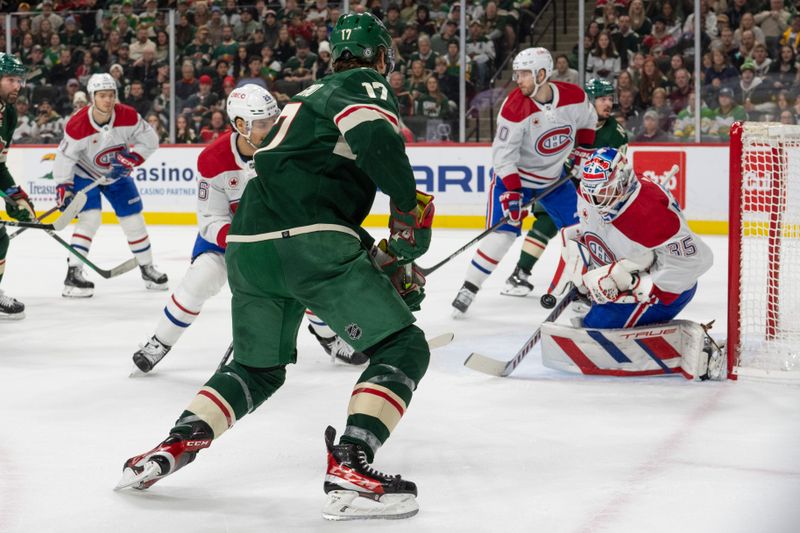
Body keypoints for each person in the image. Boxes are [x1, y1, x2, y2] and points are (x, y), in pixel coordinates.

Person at [116, 12, 434, 521]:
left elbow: (310, 195)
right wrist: (406, 211)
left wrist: (383, 260)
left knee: (255, 368)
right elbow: (376, 139)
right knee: (403, 345)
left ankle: (170, 447)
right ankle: (351, 465)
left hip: (249, 245)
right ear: (379, 55)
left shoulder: (307, 99)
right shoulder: (362, 82)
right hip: (310, 242)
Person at [132, 84, 367, 374]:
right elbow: (210, 220)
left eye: (274, 122)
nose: (271, 129)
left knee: (306, 278)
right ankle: (160, 341)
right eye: (263, 124)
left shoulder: (287, 149)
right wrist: (241, 244)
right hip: (229, 240)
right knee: (200, 278)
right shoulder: (214, 159)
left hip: (278, 237)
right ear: (240, 125)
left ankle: (329, 336)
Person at [541, 147, 716, 378]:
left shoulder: (649, 212)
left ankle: (687, 346)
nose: (595, 201)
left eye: (602, 193)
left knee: (597, 333)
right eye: (591, 193)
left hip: (665, 289)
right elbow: (594, 230)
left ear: (623, 181)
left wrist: (637, 286)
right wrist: (581, 257)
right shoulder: (590, 193)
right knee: (590, 324)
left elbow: (697, 261)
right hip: (624, 269)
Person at [451, 47, 597, 316]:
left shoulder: (574, 97)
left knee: (582, 231)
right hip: (514, 177)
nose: (518, 79)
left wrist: (583, 151)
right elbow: (503, 156)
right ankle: (469, 287)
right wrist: (514, 193)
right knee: (503, 235)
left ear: (542, 74)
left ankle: (580, 287)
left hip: (554, 179)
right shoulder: (515, 107)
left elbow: (589, 120)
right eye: (517, 73)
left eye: (524, 74)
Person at [503, 78, 627, 297]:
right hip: (561, 185)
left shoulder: (616, 133)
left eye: (610, 99)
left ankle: (586, 278)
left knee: (589, 234)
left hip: (594, 195)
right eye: (602, 99)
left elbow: (617, 167)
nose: (608, 103)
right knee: (545, 223)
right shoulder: (567, 119)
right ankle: (520, 273)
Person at [53, 73, 167, 298]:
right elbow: (64, 157)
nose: (107, 100)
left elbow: (151, 141)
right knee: (91, 218)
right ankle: (74, 273)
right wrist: (63, 186)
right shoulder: (77, 124)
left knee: (133, 219)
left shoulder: (128, 115)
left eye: (111, 95)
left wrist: (132, 159)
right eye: (102, 95)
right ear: (91, 97)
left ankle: (147, 268)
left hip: (116, 174)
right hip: (84, 173)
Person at [0, 54, 33, 319]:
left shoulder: (8, 113)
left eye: (19, 80)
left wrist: (15, 197)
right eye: (11, 79)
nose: (18, 86)